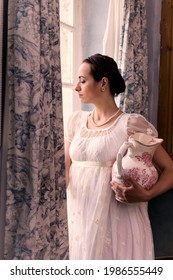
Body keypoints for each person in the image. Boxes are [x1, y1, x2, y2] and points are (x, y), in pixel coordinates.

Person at [64, 53, 173, 260]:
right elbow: (64, 170)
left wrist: (147, 195)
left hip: (118, 220)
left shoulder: (131, 124)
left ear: (103, 83)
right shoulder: (75, 121)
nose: (76, 88)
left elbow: (170, 169)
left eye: (83, 81)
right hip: (79, 217)